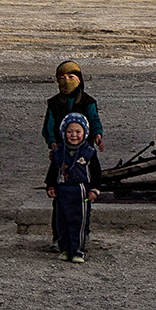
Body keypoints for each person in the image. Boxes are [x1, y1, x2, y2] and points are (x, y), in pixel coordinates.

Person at [44, 112, 100, 262]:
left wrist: (94, 189)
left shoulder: (89, 152)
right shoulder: (58, 153)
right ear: (63, 132)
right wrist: (50, 186)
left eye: (78, 131)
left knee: (79, 222)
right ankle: (65, 249)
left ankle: (78, 251)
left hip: (81, 191)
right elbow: (53, 171)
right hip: (62, 191)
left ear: (85, 133)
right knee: (61, 221)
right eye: (69, 131)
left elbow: (96, 173)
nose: (73, 135)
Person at [41, 60, 103, 152]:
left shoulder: (88, 101)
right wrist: (52, 143)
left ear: (79, 79)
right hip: (60, 148)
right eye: (62, 78)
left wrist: (98, 135)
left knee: (93, 165)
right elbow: (49, 126)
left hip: (85, 147)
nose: (67, 80)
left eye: (71, 77)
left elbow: (94, 120)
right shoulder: (54, 103)